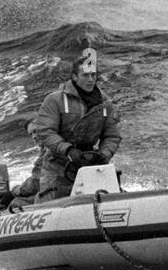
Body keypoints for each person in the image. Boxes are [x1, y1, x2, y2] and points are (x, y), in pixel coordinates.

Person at [31, 48, 120, 202]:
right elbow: (45, 131)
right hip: (57, 165)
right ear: (74, 76)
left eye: (93, 75)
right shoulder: (55, 100)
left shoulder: (105, 104)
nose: (91, 79)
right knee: (48, 203)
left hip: (89, 163)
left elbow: (112, 136)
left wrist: (104, 154)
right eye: (85, 75)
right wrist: (69, 150)